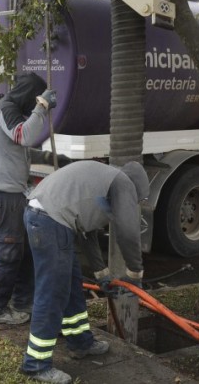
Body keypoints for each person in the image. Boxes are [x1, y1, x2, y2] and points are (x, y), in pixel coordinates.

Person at [20, 160, 149, 384]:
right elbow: (128, 232)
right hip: (51, 220)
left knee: (71, 284)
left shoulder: (103, 182)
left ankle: (80, 343)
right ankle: (35, 364)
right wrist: (135, 273)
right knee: (52, 293)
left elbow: (86, 232)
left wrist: (101, 274)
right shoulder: (124, 184)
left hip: (46, 216)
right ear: (136, 189)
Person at [0, 72, 69, 325]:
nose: (32, 107)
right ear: (30, 95)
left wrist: (47, 158)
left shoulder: (7, 110)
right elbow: (24, 136)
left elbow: (16, 149)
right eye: (34, 99)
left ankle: (21, 302)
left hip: (10, 193)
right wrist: (42, 107)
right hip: (3, 194)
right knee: (9, 252)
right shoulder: (5, 109)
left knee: (25, 250)